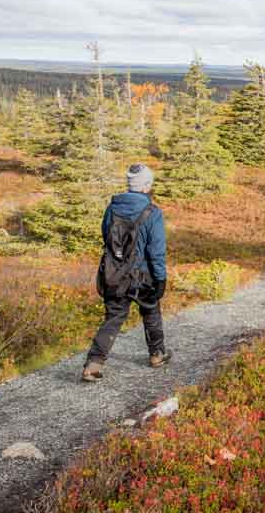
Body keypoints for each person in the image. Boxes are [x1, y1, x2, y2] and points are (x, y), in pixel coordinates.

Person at [82, 163, 170, 382]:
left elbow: (107, 238)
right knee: (151, 312)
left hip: (115, 275)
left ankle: (93, 364)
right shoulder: (153, 212)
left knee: (113, 318)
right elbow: (156, 251)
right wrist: (160, 278)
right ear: (146, 185)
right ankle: (157, 355)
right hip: (144, 277)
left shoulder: (112, 208)